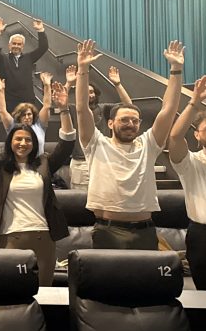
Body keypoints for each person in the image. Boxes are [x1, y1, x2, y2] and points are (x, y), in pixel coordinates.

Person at [75, 39, 183, 249]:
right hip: (107, 231)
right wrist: (83, 69)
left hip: (144, 230)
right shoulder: (96, 144)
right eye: (124, 120)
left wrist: (176, 70)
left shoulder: (148, 145)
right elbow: (81, 109)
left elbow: (168, 110)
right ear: (110, 123)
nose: (130, 124)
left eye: (135, 121)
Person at [0, 80, 76, 286]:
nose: (23, 143)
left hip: (44, 237)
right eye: (18, 139)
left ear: (34, 144)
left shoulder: (44, 164)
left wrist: (64, 110)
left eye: (28, 140)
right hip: (11, 237)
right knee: (12, 292)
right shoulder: (0, 167)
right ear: (10, 142)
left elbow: (67, 144)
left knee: (45, 292)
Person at [167, 74, 206, 290]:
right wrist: (194, 102)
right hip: (202, 236)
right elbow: (175, 137)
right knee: (204, 294)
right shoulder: (190, 163)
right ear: (196, 135)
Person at [64, 64, 133, 190]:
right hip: (81, 163)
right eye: (85, 92)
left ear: (95, 94)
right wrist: (69, 83)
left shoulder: (105, 109)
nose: (89, 94)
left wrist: (118, 84)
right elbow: (59, 102)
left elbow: (129, 106)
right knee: (81, 200)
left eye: (91, 92)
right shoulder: (74, 110)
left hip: (104, 160)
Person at [0, 16, 49, 106]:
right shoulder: (2, 59)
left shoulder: (29, 58)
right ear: (9, 45)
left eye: (19, 44)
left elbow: (43, 47)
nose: (16, 46)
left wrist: (40, 30)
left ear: (22, 47)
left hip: (28, 101)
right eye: (14, 43)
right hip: (9, 102)